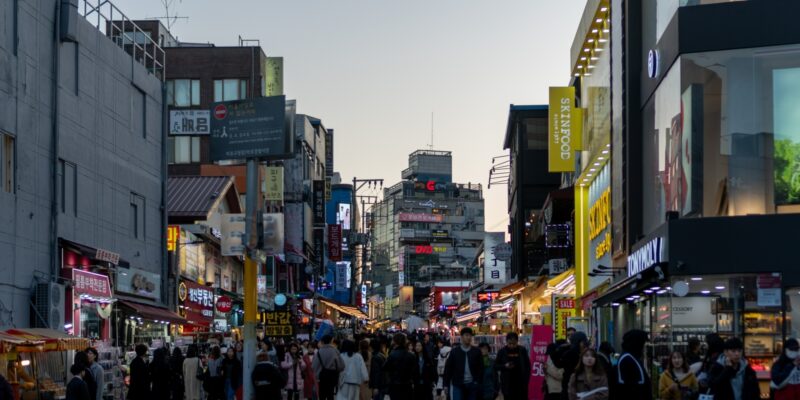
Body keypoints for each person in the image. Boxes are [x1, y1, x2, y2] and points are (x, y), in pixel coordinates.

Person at [443, 327, 484, 400]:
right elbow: (448, 368)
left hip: (472, 384)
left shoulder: (476, 351)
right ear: (461, 337)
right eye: (466, 335)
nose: (469, 337)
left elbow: (481, 368)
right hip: (458, 384)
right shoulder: (454, 352)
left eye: (470, 335)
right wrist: (445, 384)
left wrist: (477, 381)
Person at [614, 329, 651, 399]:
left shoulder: (632, 357)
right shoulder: (627, 359)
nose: (643, 348)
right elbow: (626, 388)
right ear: (637, 344)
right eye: (643, 344)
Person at [495, 332, 531, 400]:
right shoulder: (502, 352)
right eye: (509, 343)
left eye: (514, 344)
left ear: (517, 341)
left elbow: (528, 365)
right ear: (506, 342)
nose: (511, 346)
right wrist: (505, 366)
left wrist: (526, 379)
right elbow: (496, 366)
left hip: (521, 384)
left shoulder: (522, 350)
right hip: (507, 385)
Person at [383, 333, 419, 400]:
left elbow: (385, 368)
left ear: (395, 341)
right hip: (407, 385)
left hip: (395, 386)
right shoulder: (411, 355)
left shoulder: (392, 354)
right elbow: (416, 372)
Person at [556, 331, 588, 398]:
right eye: (583, 342)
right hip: (571, 388)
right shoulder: (571, 354)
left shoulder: (584, 353)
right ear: (578, 342)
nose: (584, 344)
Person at [313, 334, 346, 400]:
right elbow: (342, 366)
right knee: (330, 395)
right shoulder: (335, 351)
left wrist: (317, 375)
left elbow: (314, 366)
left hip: (322, 377)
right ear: (331, 341)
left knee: (322, 395)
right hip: (332, 377)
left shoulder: (319, 352)